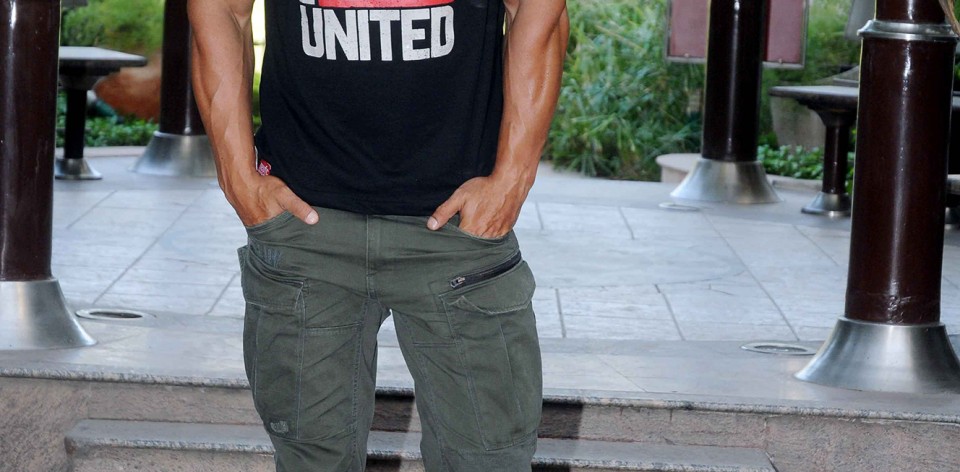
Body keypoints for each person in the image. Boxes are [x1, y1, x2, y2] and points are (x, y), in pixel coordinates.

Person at [187, 0, 568, 470]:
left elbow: (536, 9)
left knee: (489, 461)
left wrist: (512, 178)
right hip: (305, 228)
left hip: (458, 234)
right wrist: (237, 176)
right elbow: (223, 9)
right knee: (311, 461)